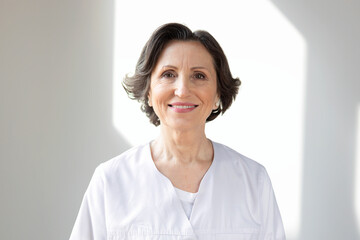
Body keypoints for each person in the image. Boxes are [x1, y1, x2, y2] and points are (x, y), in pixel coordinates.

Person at [70, 23, 286, 240]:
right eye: (168, 74)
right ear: (148, 91)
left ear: (218, 94)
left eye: (199, 76)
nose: (182, 90)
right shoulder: (110, 181)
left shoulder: (254, 181)